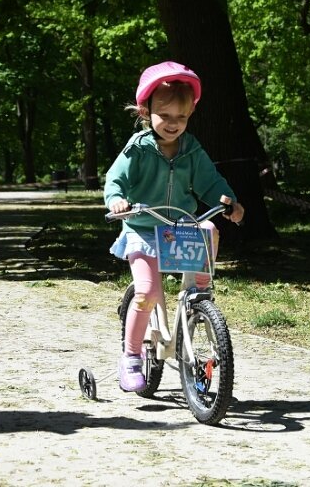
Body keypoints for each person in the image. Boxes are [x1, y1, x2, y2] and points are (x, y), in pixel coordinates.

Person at [103, 61, 245, 392]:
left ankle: (199, 296)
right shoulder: (137, 149)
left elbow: (211, 183)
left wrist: (229, 203)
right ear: (145, 110)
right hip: (141, 227)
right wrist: (117, 200)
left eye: (181, 118)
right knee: (147, 293)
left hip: (179, 227)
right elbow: (115, 180)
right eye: (165, 116)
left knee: (208, 229)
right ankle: (131, 356)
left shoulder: (191, 149)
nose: (173, 124)